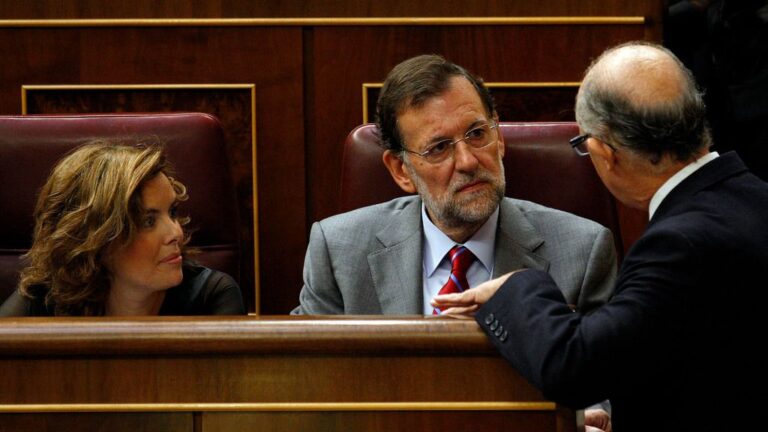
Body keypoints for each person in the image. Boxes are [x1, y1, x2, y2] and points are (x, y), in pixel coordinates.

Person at [433, 42, 768, 431]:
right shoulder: (757, 197)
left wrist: (517, 287)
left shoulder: (678, 244)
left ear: (605, 153)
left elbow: (577, 366)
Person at [0, 141, 245, 316]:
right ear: (98, 239)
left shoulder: (211, 296)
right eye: (148, 222)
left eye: (172, 212)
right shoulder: (43, 299)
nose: (176, 234)